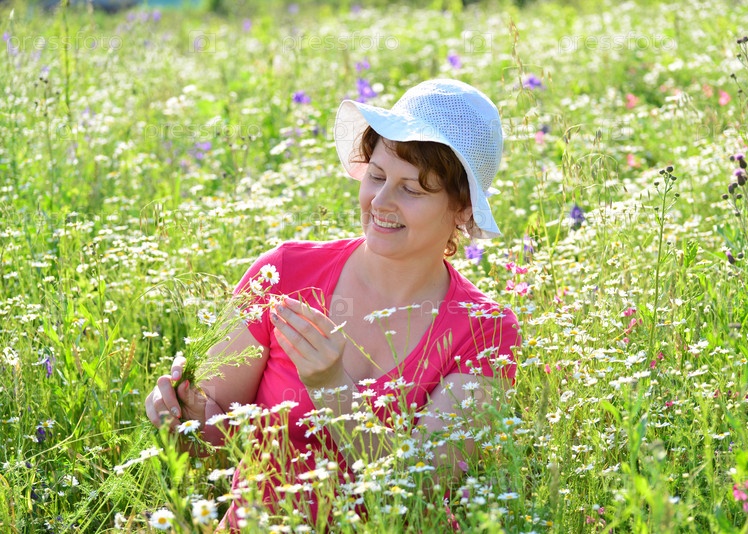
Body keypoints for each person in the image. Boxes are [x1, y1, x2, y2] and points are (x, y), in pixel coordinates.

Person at [145, 79, 520, 528]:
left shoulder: (486, 328)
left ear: (462, 209)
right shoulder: (283, 273)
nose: (380, 201)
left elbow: (419, 490)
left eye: (411, 189)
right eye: (377, 176)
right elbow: (211, 436)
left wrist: (332, 388)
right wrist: (179, 418)